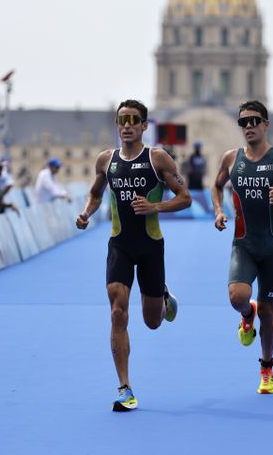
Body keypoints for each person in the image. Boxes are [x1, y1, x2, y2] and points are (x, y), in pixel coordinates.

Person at [74, 99, 191, 412]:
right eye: (121, 120)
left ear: (143, 126)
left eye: (133, 120)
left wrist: (155, 207)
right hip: (120, 245)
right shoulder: (106, 160)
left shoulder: (157, 158)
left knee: (152, 321)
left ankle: (163, 298)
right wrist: (86, 212)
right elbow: (96, 194)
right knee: (117, 312)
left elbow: (185, 198)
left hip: (151, 245)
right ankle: (125, 388)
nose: (126, 125)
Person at [211, 100, 273, 396]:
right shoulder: (231, 159)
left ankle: (266, 367)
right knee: (237, 296)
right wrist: (218, 210)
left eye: (255, 121)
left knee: (269, 312)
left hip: (272, 246)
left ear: (266, 125)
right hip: (243, 244)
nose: (249, 126)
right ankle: (245, 314)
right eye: (244, 122)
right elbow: (216, 186)